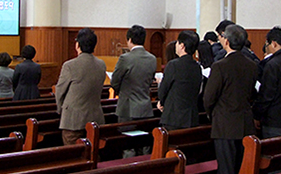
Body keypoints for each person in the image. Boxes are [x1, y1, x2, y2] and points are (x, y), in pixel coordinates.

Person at [204, 24, 258, 174]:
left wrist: (211, 114)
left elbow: (209, 97)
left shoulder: (220, 66)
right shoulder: (252, 65)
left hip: (224, 125)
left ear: (226, 41)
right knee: (242, 170)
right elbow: (252, 93)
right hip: (245, 123)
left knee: (226, 170)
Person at [55, 28, 106, 145]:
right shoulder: (101, 64)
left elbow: (60, 91)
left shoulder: (70, 66)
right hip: (95, 117)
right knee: (92, 151)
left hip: (73, 120)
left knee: (72, 152)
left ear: (77, 45)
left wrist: (60, 110)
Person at [111, 25, 156, 157]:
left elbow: (115, 81)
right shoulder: (152, 59)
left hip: (128, 108)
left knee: (128, 145)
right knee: (144, 145)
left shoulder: (125, 58)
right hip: (145, 107)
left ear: (129, 40)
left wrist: (122, 91)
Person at [157, 30, 202, 130]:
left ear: (182, 46)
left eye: (177, 42)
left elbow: (163, 90)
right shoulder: (197, 67)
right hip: (191, 118)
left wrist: (161, 101)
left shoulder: (173, 65)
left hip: (174, 118)